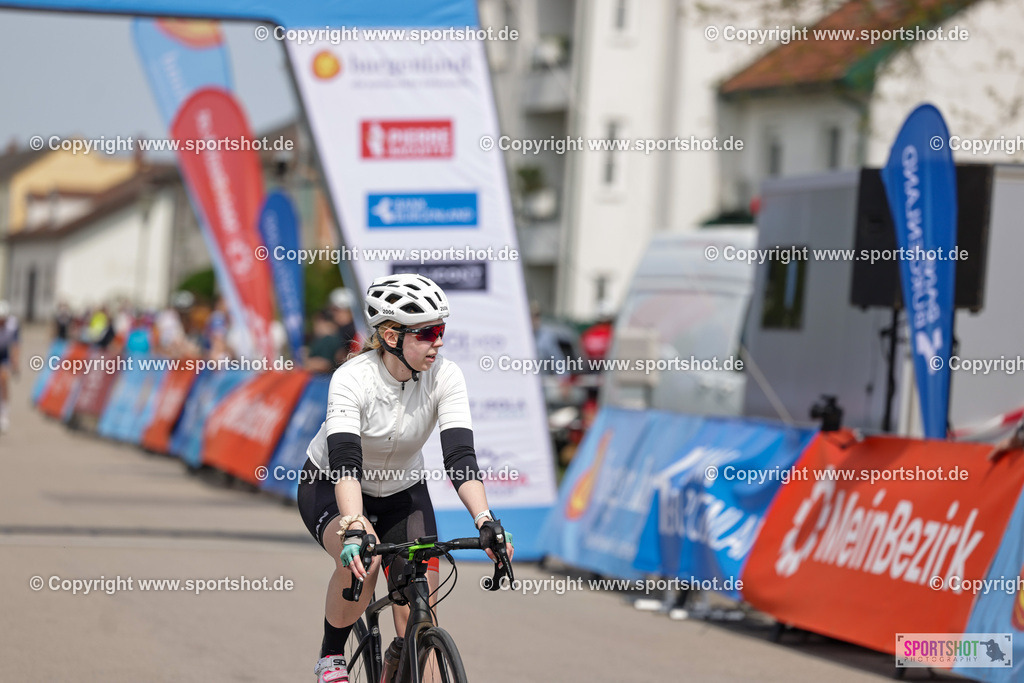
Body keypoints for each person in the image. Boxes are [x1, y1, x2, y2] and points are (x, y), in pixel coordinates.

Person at [298, 274, 514, 683]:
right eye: (428, 332)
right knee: (363, 560)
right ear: (392, 336)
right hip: (333, 484)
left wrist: (485, 519)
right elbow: (345, 461)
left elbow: (460, 457)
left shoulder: (446, 376)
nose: (440, 342)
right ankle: (331, 654)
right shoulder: (351, 378)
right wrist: (355, 526)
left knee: (419, 610)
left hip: (403, 491)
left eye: (442, 330)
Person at [0, 300, 20, 433]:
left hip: (4, 355)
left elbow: (16, 345)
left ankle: (4, 414)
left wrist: (15, 363)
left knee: (4, 381)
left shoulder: (13, 325)